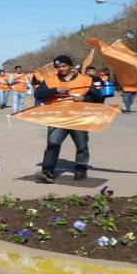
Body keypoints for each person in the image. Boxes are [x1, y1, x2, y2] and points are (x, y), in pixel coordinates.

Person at [33, 55, 102, 183]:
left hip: (78, 117)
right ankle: (47, 171)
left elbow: (98, 98)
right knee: (52, 144)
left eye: (64, 66)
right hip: (57, 117)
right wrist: (55, 90)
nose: (61, 69)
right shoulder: (50, 80)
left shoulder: (85, 80)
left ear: (70, 66)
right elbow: (37, 94)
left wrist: (84, 98)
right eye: (58, 67)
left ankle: (80, 169)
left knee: (81, 145)